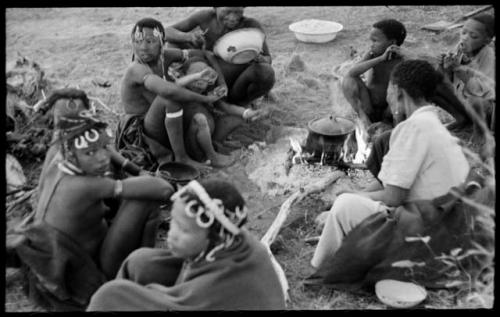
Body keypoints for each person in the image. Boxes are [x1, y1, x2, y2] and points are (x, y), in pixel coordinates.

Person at [311, 59, 470, 269]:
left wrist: (352, 196)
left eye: (389, 89)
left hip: (424, 236)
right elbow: (394, 184)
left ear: (397, 91)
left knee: (344, 205)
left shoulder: (414, 128)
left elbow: (393, 197)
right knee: (353, 197)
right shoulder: (432, 124)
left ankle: (321, 265)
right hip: (447, 228)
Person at [12, 112, 175, 311]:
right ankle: (137, 277)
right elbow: (164, 189)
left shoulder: (59, 153)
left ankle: (139, 266)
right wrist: (142, 177)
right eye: (90, 153)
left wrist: (130, 167)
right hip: (90, 270)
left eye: (103, 148)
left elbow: (100, 147)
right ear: (72, 154)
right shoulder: (82, 186)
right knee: (144, 201)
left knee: (121, 178)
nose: (101, 159)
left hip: (65, 255)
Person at [87, 179, 286, 311]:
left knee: (109, 297)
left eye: (183, 230)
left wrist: (149, 296)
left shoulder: (220, 285)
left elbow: (195, 299)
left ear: (214, 239)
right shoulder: (227, 237)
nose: (171, 235)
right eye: (173, 221)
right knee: (140, 262)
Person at [117, 18, 224, 171]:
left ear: (161, 42)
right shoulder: (137, 69)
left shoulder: (164, 56)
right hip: (143, 131)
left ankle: (211, 156)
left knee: (199, 118)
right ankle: (182, 159)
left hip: (165, 122)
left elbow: (205, 54)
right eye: (137, 41)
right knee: (170, 99)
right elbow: (168, 91)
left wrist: (221, 82)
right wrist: (206, 98)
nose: (143, 48)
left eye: (150, 41)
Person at [164, 7, 275, 143]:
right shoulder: (205, 18)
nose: (233, 17)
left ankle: (242, 104)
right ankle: (213, 104)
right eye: (228, 11)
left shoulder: (251, 26)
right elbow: (166, 32)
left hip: (236, 83)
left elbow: (268, 58)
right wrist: (188, 36)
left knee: (266, 73)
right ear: (215, 8)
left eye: (238, 11)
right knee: (172, 43)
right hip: (210, 80)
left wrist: (263, 60)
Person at [144, 56, 266, 167]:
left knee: (236, 118)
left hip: (209, 136)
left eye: (205, 74)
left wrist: (246, 112)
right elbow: (176, 85)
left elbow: (226, 107)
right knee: (200, 119)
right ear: (186, 76)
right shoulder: (180, 94)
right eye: (195, 74)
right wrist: (198, 76)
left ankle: (216, 145)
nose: (201, 78)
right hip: (191, 143)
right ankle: (211, 156)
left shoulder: (209, 94)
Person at [440, 13, 495, 133]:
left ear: (487, 40)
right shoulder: (460, 48)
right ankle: (460, 118)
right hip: (462, 99)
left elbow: (485, 92)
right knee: (435, 82)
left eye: (473, 36)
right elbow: (449, 80)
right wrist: (447, 67)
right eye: (463, 32)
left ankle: (470, 123)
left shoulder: (489, 56)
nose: (464, 38)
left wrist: (459, 71)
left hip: (483, 107)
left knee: (475, 101)